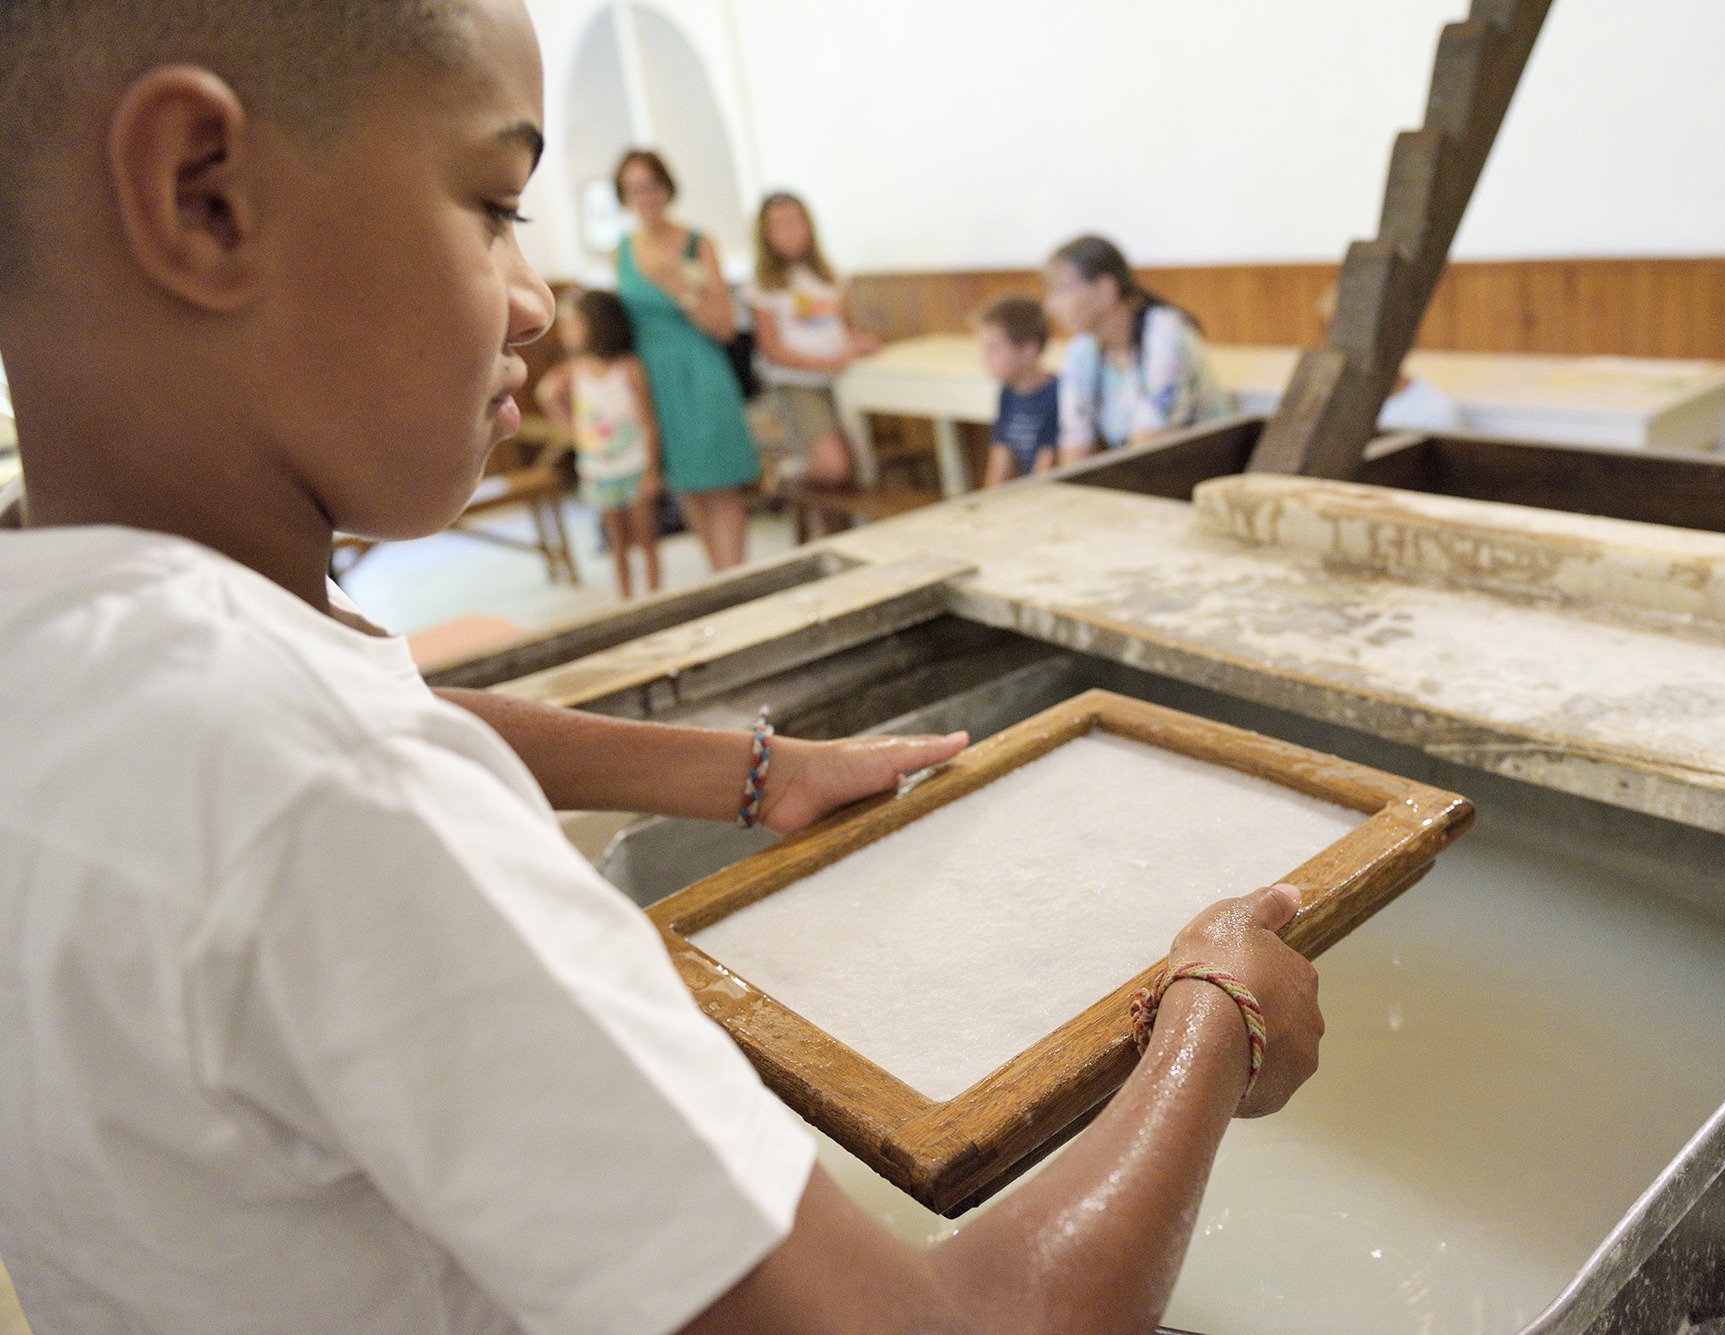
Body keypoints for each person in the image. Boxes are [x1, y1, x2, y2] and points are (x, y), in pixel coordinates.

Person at [0, 3, 1323, 1334]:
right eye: (493, 203)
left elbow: (356, 714)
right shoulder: (357, 808)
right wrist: (1215, 1013)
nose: (534, 299)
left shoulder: (78, 652)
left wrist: (755, 772)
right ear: (204, 198)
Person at [614, 148, 760, 571]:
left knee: (720, 484)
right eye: (633, 188)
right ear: (623, 195)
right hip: (654, 380)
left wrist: (677, 283)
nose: (645, 196)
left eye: (652, 185)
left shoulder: (699, 243)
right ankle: (719, 577)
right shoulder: (621, 251)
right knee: (688, 485)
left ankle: (734, 579)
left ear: (667, 187)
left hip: (701, 369)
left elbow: (725, 326)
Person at [1044, 234, 1228, 466]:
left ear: (1105, 289)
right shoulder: (1082, 350)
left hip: (1202, 475)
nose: (1050, 306)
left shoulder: (1165, 333)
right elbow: (1074, 443)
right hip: (1145, 478)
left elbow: (1146, 448)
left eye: (1062, 290)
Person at [536, 290, 662, 598]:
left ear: (597, 324)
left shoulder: (628, 368)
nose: (566, 332)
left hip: (634, 465)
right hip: (599, 469)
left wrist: (652, 471)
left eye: (572, 324)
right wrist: (573, 429)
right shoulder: (572, 372)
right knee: (616, 539)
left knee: (646, 537)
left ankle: (656, 594)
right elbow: (546, 395)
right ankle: (626, 597)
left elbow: (648, 422)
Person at [748, 191, 878, 489]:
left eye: (795, 221)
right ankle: (784, 476)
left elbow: (845, 328)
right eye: (779, 225)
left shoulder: (829, 275)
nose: (790, 231)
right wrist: (825, 363)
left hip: (841, 379)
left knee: (858, 462)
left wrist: (860, 343)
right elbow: (771, 349)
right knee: (834, 466)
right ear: (765, 235)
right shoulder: (764, 285)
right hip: (798, 383)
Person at [974, 293, 1060, 486]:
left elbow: (1047, 470)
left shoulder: (1057, 394)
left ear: (1029, 349)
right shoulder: (1007, 393)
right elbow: (1001, 459)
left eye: (992, 349)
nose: (983, 359)